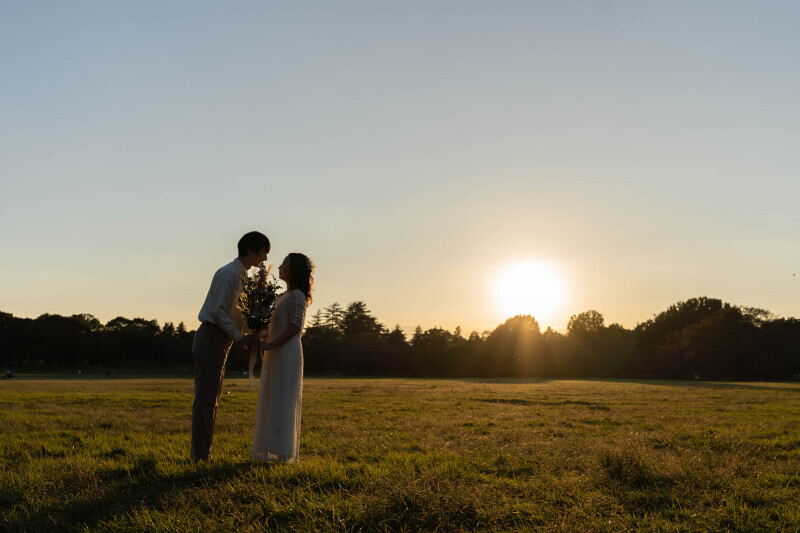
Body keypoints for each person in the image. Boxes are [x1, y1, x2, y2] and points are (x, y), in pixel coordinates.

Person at [191, 231, 270, 461]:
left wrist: (249, 334)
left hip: (221, 338)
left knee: (212, 398)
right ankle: (200, 457)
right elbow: (217, 310)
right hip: (212, 336)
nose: (265, 259)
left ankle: (203, 454)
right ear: (250, 251)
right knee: (206, 399)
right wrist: (240, 336)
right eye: (264, 252)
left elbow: (235, 314)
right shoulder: (228, 274)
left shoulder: (241, 275)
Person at [252, 253, 314, 463]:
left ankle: (283, 452)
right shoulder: (281, 297)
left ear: (294, 269)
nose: (279, 266)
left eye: (285, 264)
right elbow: (276, 326)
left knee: (283, 398)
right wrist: (263, 335)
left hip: (287, 353)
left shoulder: (297, 296)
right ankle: (270, 448)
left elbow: (295, 327)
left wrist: (272, 344)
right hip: (274, 351)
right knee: (272, 396)